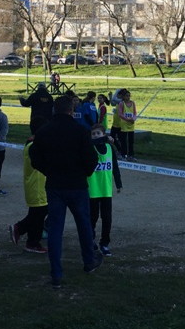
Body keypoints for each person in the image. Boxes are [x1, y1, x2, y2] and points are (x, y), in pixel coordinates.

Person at [28, 95, 102, 289]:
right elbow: (91, 159)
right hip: (77, 184)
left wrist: (48, 171)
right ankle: (89, 261)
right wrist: (84, 173)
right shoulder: (81, 131)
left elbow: (34, 157)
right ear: (72, 110)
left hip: (55, 185)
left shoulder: (44, 131)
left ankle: (56, 273)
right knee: (84, 225)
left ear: (55, 109)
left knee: (55, 229)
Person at [9, 115, 49, 254]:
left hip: (39, 183)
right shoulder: (34, 146)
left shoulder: (33, 144)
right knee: (38, 213)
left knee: (39, 212)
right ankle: (29, 237)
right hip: (37, 184)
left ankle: (23, 232)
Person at [88, 123, 122, 256]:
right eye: (93, 134)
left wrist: (118, 183)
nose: (96, 136)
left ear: (104, 134)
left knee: (107, 218)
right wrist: (102, 139)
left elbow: (115, 167)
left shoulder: (109, 148)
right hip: (93, 190)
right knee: (93, 217)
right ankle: (90, 239)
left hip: (106, 190)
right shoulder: (90, 148)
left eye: (98, 133)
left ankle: (105, 243)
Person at [115, 89, 138, 161]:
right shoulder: (121, 103)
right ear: (123, 97)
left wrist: (133, 119)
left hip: (131, 124)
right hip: (124, 124)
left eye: (129, 96)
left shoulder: (133, 103)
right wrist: (127, 119)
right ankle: (123, 155)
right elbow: (120, 114)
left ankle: (131, 155)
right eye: (126, 96)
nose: (128, 97)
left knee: (131, 141)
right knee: (124, 141)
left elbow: (135, 113)